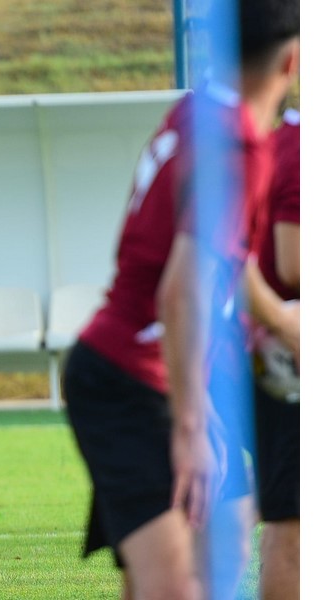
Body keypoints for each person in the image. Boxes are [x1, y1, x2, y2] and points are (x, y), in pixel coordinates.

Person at [61, 1, 299, 598]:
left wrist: (279, 324)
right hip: (128, 380)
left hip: (147, 372)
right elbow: (182, 289)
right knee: (177, 587)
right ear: (291, 61)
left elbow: (226, 260)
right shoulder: (240, 143)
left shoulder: (201, 112)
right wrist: (193, 424)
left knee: (223, 541)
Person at [245, 106, 300, 600]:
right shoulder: (301, 146)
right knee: (294, 526)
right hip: (289, 359)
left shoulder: (280, 139)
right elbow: (295, 262)